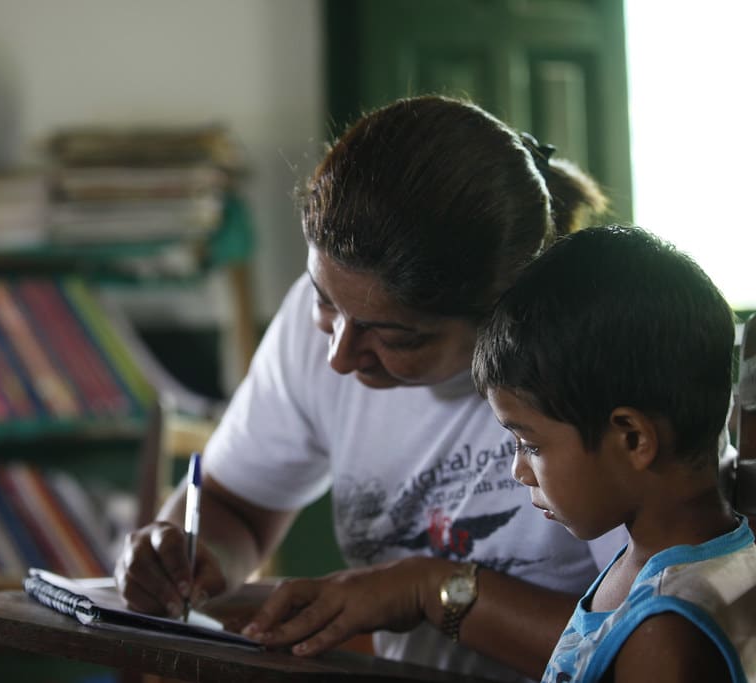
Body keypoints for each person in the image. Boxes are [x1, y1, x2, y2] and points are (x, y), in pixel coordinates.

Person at [115, 94, 613, 681]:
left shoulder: (599, 365)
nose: (339, 356)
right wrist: (185, 557)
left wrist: (430, 590)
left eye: (397, 338)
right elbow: (235, 505)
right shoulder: (327, 318)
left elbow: (652, 646)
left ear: (503, 313)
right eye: (325, 302)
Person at [475, 225, 756, 680]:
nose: (518, 470)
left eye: (531, 444)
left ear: (632, 439)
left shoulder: (665, 640)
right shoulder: (663, 559)